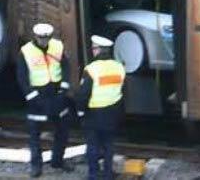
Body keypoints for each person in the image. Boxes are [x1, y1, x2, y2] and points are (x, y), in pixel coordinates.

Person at [16, 23, 74, 178]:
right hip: (38, 94)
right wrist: (32, 96)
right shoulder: (26, 51)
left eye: (47, 37)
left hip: (56, 93)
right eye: (41, 38)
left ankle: (58, 161)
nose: (44, 41)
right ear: (35, 36)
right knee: (34, 133)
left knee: (62, 129)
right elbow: (22, 76)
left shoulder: (57, 46)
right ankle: (36, 165)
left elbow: (66, 67)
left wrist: (64, 88)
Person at [75, 35, 126, 180]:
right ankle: (108, 173)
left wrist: (80, 112)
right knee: (109, 144)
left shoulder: (91, 69)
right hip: (113, 113)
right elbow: (122, 90)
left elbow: (84, 94)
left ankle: (93, 175)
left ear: (97, 50)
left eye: (93, 48)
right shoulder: (119, 67)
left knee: (93, 145)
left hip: (94, 114)